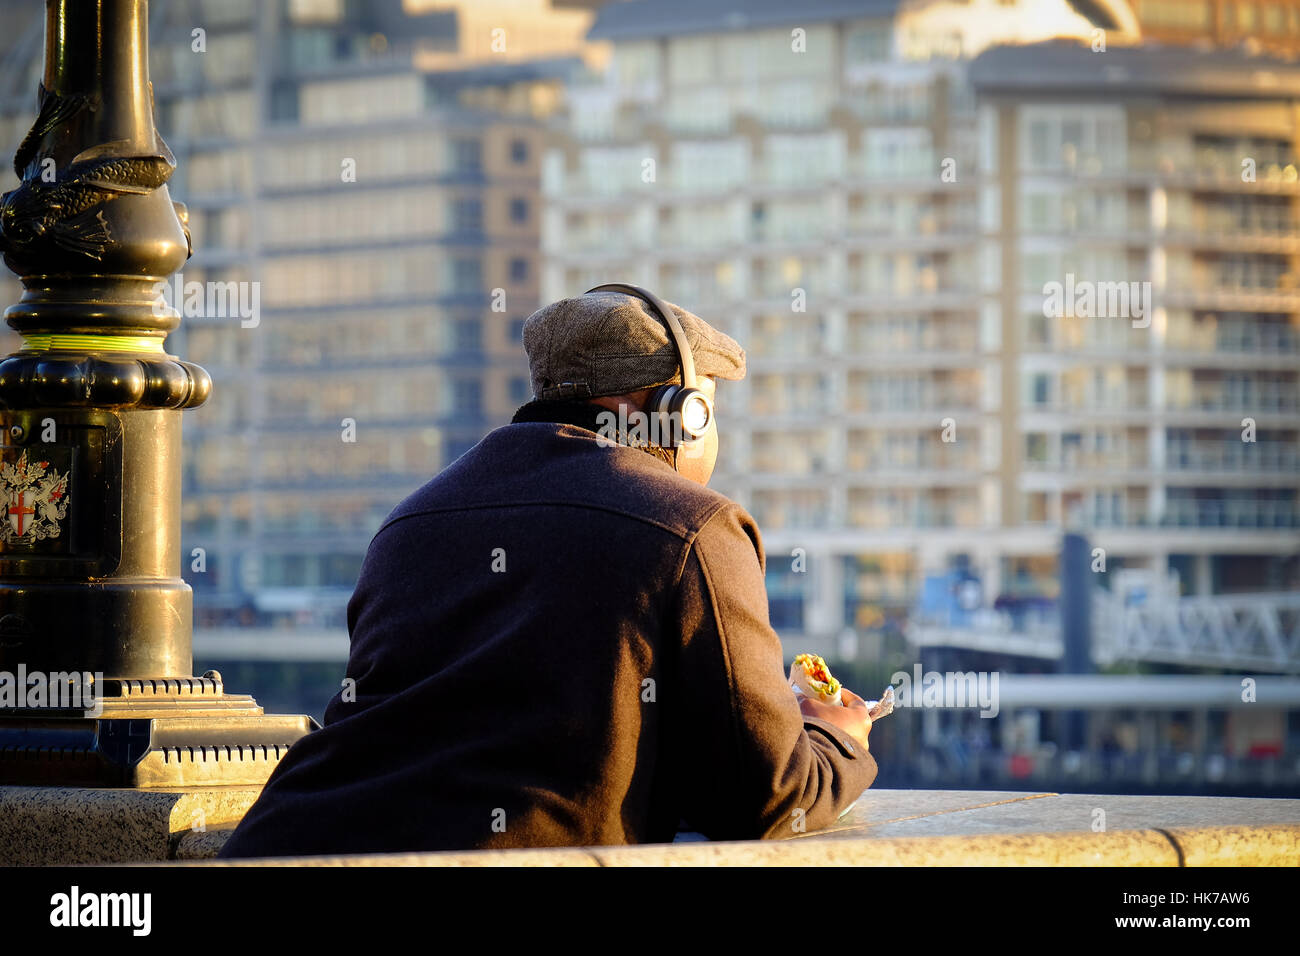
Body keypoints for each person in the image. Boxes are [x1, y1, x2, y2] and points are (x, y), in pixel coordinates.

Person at [219, 284, 877, 857]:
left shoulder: (409, 521)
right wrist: (831, 734)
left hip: (286, 846)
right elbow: (765, 798)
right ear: (677, 412)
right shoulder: (694, 526)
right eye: (708, 408)